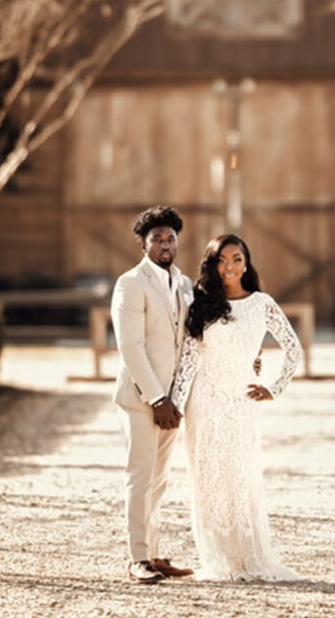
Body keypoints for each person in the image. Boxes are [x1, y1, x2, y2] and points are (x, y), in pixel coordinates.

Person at [171, 233, 302, 582]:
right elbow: (188, 358)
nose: (229, 267)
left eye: (236, 259)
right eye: (221, 260)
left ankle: (248, 555)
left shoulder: (263, 303)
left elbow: (293, 349)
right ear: (212, 265)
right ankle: (219, 558)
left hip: (241, 402)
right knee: (210, 479)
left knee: (241, 476)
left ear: (247, 263)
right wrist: (176, 405)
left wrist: (274, 388)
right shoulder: (203, 303)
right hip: (205, 401)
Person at [110, 205, 194, 584]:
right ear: (144, 244)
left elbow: (191, 342)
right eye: (157, 238)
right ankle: (137, 558)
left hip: (173, 402)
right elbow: (130, 346)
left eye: (170, 237)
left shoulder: (185, 284)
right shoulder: (130, 283)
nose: (165, 243)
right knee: (140, 477)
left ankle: (155, 554)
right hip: (143, 399)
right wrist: (157, 399)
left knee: (160, 480)